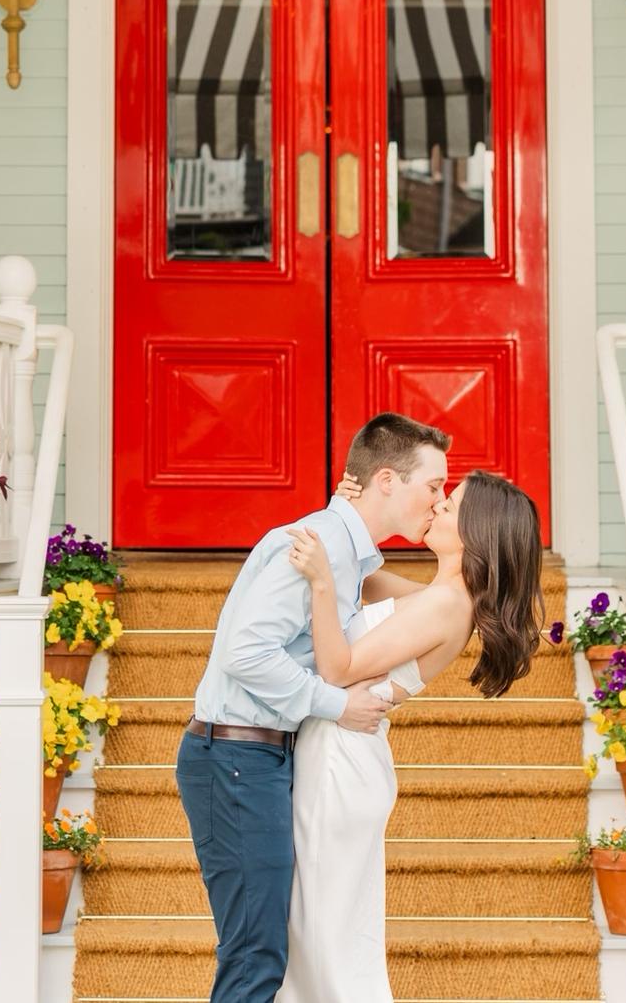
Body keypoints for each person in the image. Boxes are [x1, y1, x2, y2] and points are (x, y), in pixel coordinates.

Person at [175, 413, 453, 1003]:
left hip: (265, 757)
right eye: (434, 486)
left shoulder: (348, 555)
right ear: (385, 479)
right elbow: (244, 652)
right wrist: (336, 704)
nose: (440, 500)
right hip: (235, 754)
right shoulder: (317, 545)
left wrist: (474, 591)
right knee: (255, 955)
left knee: (267, 950)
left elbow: (431, 604)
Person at [275, 469, 545, 1003]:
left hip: (340, 763)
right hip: (339, 752)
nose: (439, 504)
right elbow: (366, 579)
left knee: (324, 938)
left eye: (452, 503)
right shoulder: (439, 593)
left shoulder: (448, 605)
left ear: (478, 529)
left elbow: (338, 668)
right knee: (323, 932)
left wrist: (322, 583)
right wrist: (345, 518)